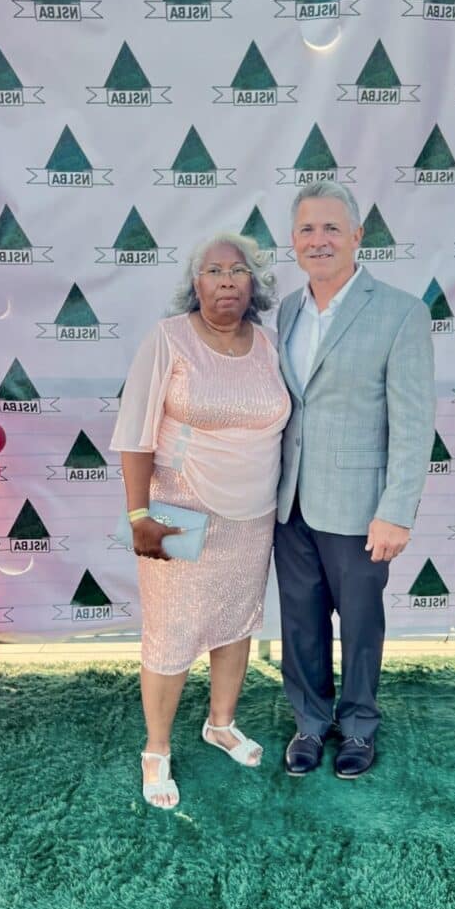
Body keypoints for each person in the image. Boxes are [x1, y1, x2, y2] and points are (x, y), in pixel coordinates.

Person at [111, 233, 291, 809]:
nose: (228, 282)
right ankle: (157, 749)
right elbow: (135, 432)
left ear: (253, 285)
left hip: (253, 511)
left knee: (236, 620)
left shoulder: (268, 344)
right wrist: (139, 514)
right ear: (196, 283)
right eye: (215, 271)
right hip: (176, 507)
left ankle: (220, 723)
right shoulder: (168, 340)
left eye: (239, 272)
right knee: (171, 629)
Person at [274, 180, 435, 779]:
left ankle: (359, 727)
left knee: (362, 623)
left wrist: (397, 509)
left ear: (357, 237)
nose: (320, 241)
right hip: (289, 504)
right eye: (308, 230)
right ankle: (311, 723)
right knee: (299, 621)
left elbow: (414, 422)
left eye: (332, 228)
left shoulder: (400, 311)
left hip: (361, 506)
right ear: (293, 242)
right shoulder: (286, 310)